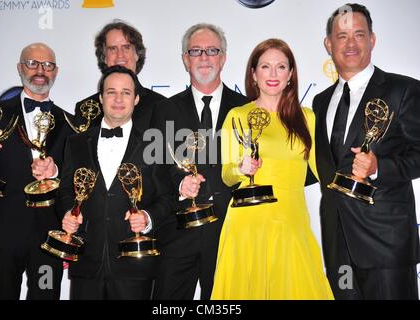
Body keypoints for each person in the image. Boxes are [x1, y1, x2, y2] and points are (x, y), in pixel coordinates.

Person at [210, 39, 333, 300]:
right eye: (265, 67)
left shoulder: (307, 117)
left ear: (291, 74)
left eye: (281, 67)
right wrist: (242, 168)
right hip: (247, 224)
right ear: (254, 74)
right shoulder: (237, 115)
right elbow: (226, 174)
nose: (273, 74)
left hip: (291, 222)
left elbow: (324, 172)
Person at [313, 3, 420, 299]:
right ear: (328, 44)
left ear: (372, 40)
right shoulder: (320, 102)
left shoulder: (404, 90)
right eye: (342, 35)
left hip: (385, 242)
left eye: (359, 35)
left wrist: (379, 167)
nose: (350, 44)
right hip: (338, 244)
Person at [151, 23, 249, 300]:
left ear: (224, 57)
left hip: (230, 231)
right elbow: (156, 168)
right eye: (196, 51)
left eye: (212, 50)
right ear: (185, 59)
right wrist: (179, 184)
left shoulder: (246, 108)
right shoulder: (165, 110)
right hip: (178, 229)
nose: (204, 57)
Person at [58, 65, 173, 300]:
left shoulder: (153, 144)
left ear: (137, 99)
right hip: (86, 262)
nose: (118, 99)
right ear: (101, 98)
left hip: (134, 265)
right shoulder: (76, 142)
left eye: (126, 92)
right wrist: (68, 213)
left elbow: (168, 197)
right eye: (111, 92)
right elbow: (65, 192)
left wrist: (148, 218)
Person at [0, 43, 72, 299]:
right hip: (4, 233)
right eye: (33, 63)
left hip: (49, 236)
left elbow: (76, 178)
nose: (40, 70)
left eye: (47, 65)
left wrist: (56, 171)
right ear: (20, 68)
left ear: (56, 71)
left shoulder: (69, 122)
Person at [74, 20, 166, 132]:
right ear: (104, 57)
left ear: (137, 54)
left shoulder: (161, 106)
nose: (120, 55)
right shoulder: (86, 109)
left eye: (126, 47)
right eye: (112, 49)